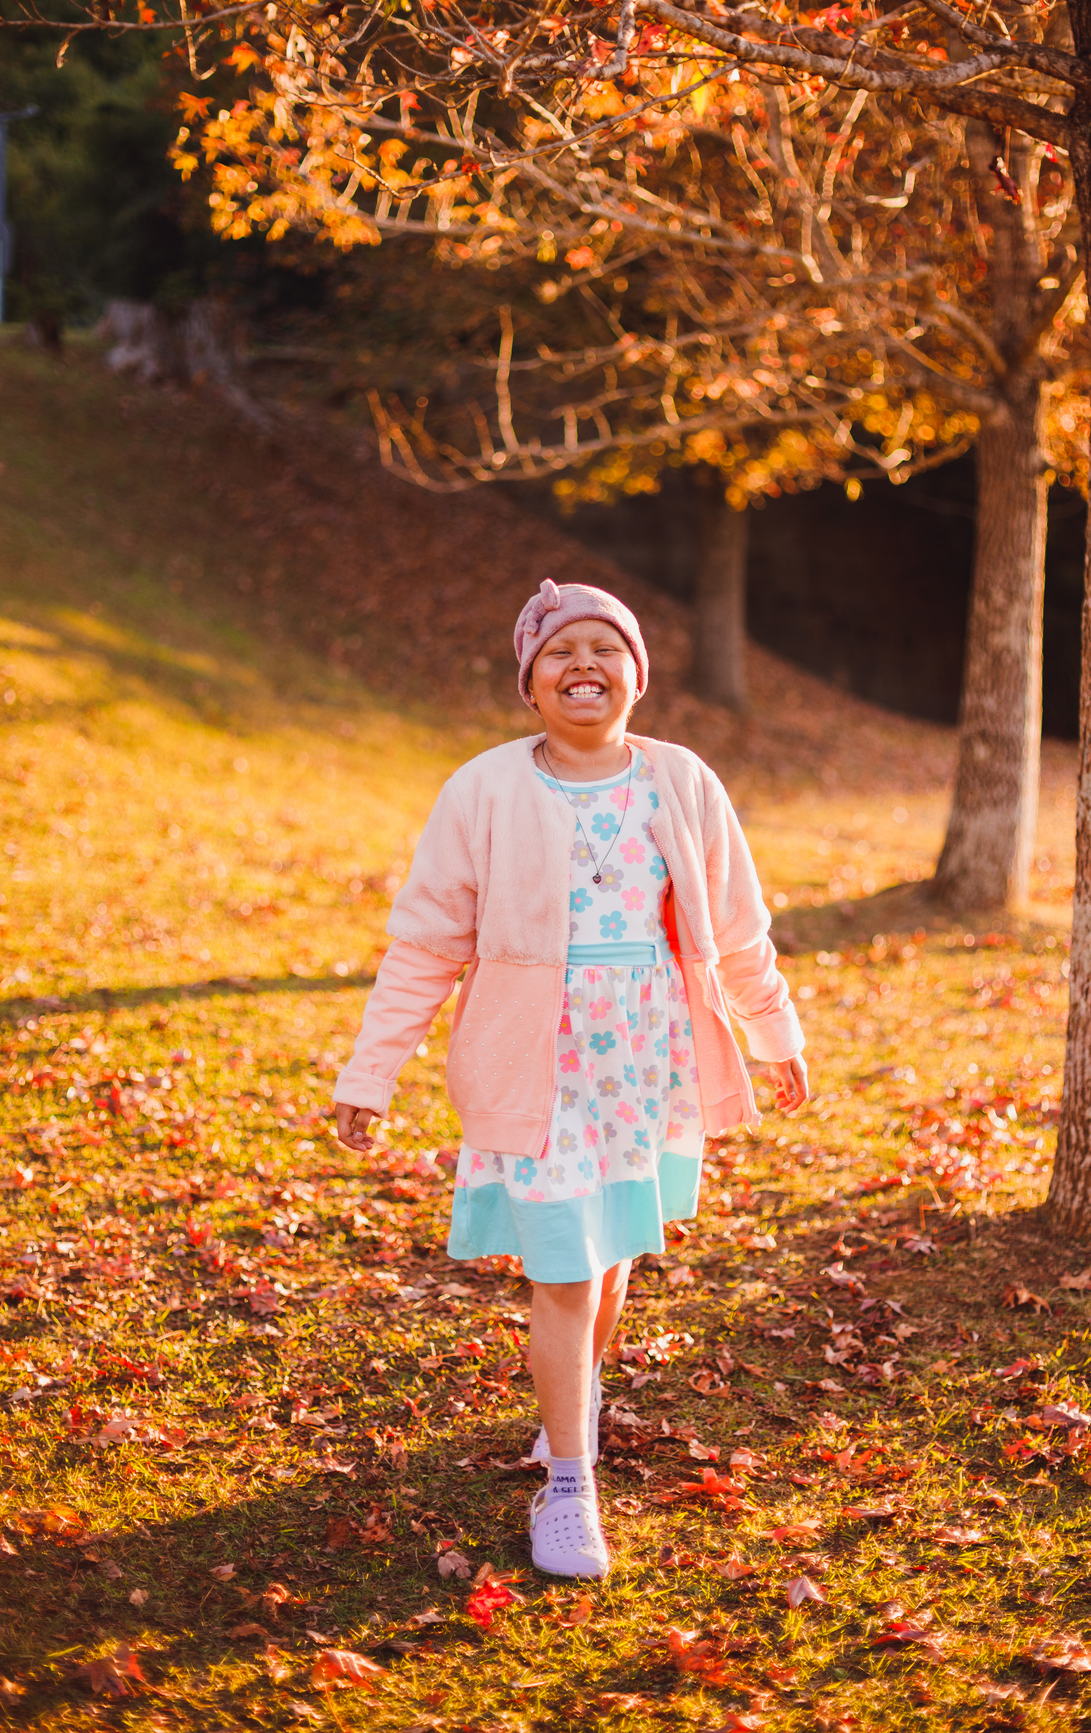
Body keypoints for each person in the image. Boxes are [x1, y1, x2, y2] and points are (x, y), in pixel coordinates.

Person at [332, 578, 808, 1579]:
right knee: (560, 1269)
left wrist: (775, 1034)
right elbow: (425, 944)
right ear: (530, 683)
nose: (583, 663)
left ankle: (572, 1412)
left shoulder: (681, 781)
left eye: (604, 646)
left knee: (614, 1250)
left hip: (643, 1062)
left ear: (637, 672)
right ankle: (568, 1485)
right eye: (560, 651)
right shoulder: (485, 789)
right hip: (533, 1067)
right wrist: (372, 1073)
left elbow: (736, 925)